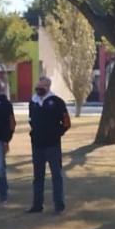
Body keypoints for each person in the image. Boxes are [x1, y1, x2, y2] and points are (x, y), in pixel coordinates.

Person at [27, 76, 71, 214]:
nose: (38, 88)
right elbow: (31, 120)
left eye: (41, 86)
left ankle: (59, 205)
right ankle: (37, 205)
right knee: (38, 177)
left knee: (56, 176)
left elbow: (66, 123)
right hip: (37, 145)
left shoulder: (57, 102)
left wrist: (56, 133)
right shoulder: (33, 102)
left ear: (47, 86)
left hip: (52, 146)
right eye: (37, 86)